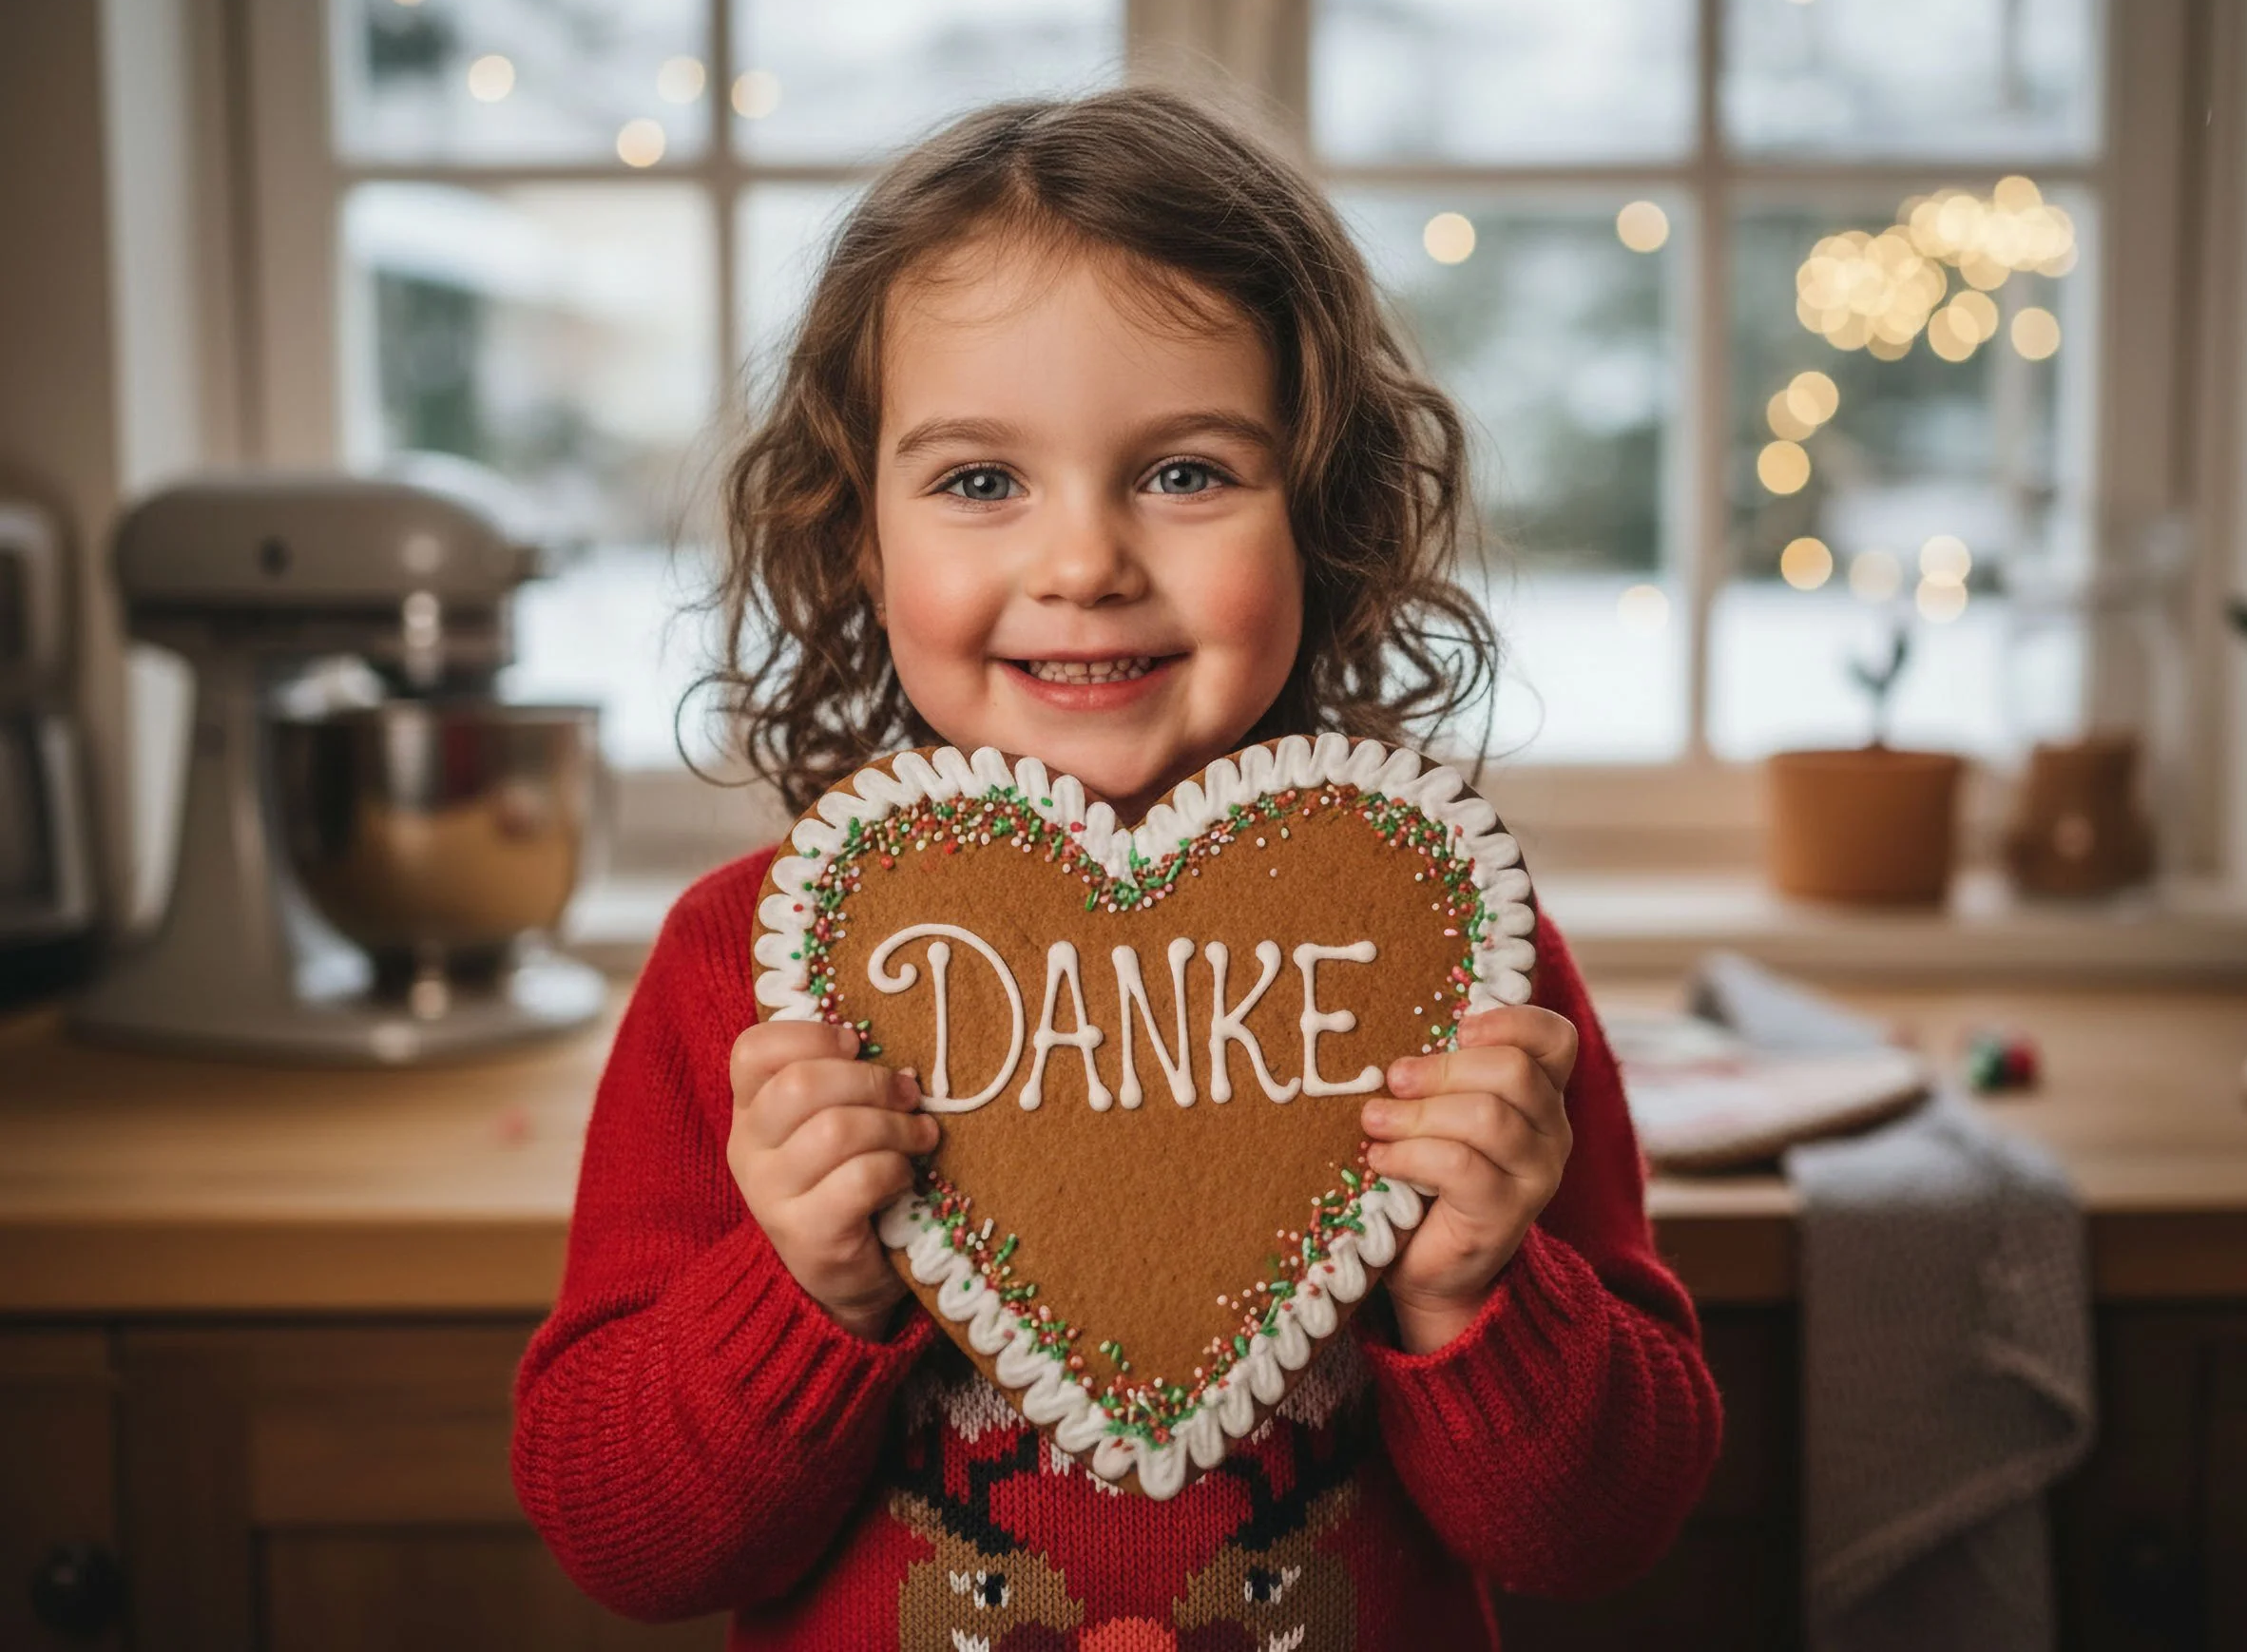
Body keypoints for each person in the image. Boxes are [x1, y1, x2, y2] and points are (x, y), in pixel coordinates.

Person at [512, 86, 1721, 1650]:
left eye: (1185, 473)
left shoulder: (1443, 948)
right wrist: (803, 1291)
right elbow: (622, 1541)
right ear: (861, 536)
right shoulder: (747, 972)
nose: (1083, 563)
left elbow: (1606, 1533)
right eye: (976, 482)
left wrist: (1472, 1297)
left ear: (1328, 515)